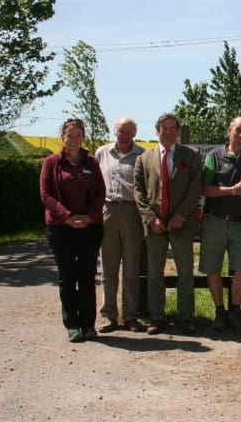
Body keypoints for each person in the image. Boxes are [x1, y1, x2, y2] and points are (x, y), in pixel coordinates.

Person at [134, 113, 202, 335]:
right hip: (154, 225)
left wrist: (180, 216)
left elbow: (195, 188)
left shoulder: (190, 156)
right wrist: (150, 218)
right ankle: (157, 317)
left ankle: (185, 318)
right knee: (155, 274)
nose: (169, 132)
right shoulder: (144, 159)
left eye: (173, 128)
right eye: (165, 128)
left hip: (181, 224)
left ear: (178, 131)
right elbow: (139, 192)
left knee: (185, 274)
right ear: (157, 130)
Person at [40, 118, 106, 342]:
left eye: (78, 135)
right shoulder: (51, 163)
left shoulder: (92, 163)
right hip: (61, 229)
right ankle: (72, 325)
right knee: (67, 277)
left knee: (87, 277)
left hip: (90, 228)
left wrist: (89, 217)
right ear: (63, 137)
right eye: (70, 135)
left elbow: (100, 192)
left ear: (83, 138)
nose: (74, 140)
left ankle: (88, 324)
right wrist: (67, 217)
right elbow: (46, 194)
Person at [199, 117, 241, 332]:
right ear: (229, 131)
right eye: (238, 130)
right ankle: (219, 312)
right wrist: (233, 190)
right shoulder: (214, 156)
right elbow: (205, 189)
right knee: (212, 268)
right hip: (214, 220)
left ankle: (235, 310)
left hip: (240, 224)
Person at [95, 117, 146, 333]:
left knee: (132, 268)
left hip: (132, 211)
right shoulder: (102, 153)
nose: (124, 134)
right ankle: (108, 316)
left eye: (128, 131)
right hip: (108, 210)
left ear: (134, 133)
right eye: (120, 130)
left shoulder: (143, 155)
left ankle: (131, 316)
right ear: (114, 131)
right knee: (108, 268)